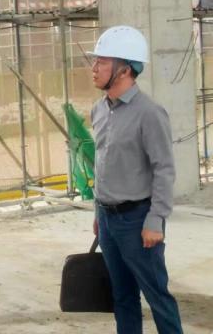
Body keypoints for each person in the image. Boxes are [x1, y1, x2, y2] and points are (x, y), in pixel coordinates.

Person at [89, 25, 183, 333]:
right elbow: (102, 165)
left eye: (102, 62)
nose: (94, 68)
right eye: (96, 61)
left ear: (125, 69)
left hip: (137, 220)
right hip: (107, 219)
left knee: (157, 296)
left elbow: (164, 169)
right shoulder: (99, 110)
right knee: (123, 297)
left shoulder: (150, 113)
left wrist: (156, 219)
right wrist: (98, 212)